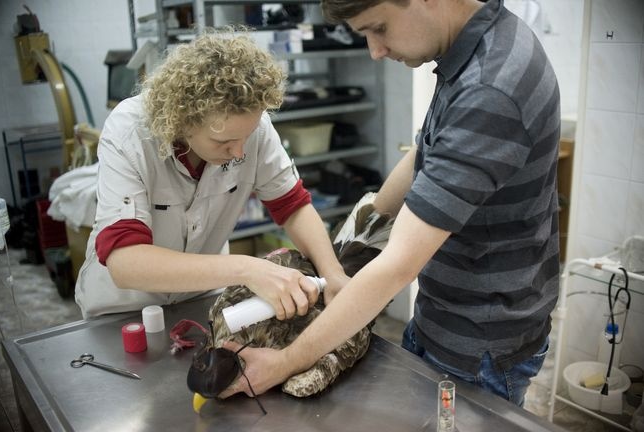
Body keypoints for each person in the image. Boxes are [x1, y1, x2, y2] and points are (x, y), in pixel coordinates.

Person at [219, 0, 561, 408]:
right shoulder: (475, 46)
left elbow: (399, 265)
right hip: (445, 312)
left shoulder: (490, 89)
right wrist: (361, 234)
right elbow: (427, 152)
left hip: (476, 345)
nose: (375, 51)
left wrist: (285, 362)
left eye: (378, 28)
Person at [75, 30, 349, 319]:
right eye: (223, 143)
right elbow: (125, 260)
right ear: (182, 120)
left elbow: (292, 206)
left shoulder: (250, 127)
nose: (240, 152)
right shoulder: (129, 133)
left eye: (247, 137)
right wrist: (249, 269)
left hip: (202, 297)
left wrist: (333, 274)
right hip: (124, 307)